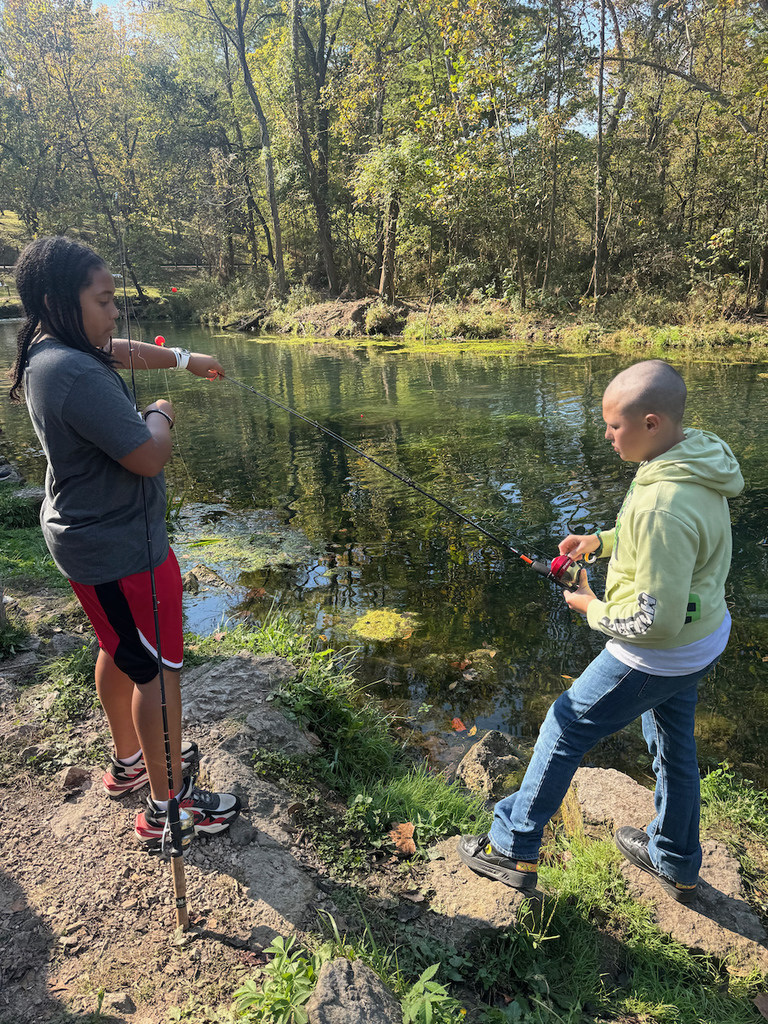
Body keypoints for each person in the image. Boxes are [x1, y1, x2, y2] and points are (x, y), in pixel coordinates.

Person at [459, 359, 743, 903]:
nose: (608, 436)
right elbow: (667, 540)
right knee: (673, 742)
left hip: (657, 654)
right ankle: (676, 857)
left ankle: (511, 847)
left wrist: (591, 607)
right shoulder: (693, 460)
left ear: (652, 422)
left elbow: (652, 622)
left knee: (563, 727)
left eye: (615, 426)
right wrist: (601, 541)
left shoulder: (663, 502)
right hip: (702, 637)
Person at [9, 235, 241, 849]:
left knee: (121, 649)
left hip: (92, 545)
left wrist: (184, 359)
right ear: (62, 300)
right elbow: (147, 456)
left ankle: (130, 761)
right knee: (159, 674)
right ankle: (171, 808)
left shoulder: (54, 349)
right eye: (104, 300)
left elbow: (119, 350)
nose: (115, 312)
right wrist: (162, 412)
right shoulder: (72, 371)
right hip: (122, 551)